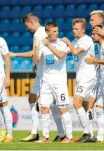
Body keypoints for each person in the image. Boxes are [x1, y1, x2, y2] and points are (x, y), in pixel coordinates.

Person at [15, 13, 65, 142]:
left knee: (46, 104)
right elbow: (39, 55)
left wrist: (15, 54)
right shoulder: (40, 32)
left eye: (26, 24)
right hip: (42, 73)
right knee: (40, 102)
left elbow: (36, 53)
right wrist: (36, 65)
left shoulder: (40, 33)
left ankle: (37, 133)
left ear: (31, 22)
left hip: (45, 76)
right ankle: (60, 134)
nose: (26, 27)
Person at [33, 22, 73, 143]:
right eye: (54, 31)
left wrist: (48, 45)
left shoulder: (62, 43)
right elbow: (36, 60)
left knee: (63, 108)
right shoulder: (42, 44)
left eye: (57, 30)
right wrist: (36, 46)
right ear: (47, 32)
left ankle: (69, 137)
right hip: (46, 82)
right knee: (44, 108)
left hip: (59, 82)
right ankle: (45, 137)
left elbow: (60, 54)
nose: (57, 33)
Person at [62, 18, 96, 143]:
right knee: (86, 106)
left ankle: (86, 132)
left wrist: (67, 42)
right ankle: (91, 134)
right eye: (73, 28)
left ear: (83, 29)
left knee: (76, 103)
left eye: (76, 29)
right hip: (80, 76)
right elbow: (63, 52)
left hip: (88, 76)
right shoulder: (75, 41)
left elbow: (75, 51)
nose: (74, 31)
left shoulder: (87, 40)